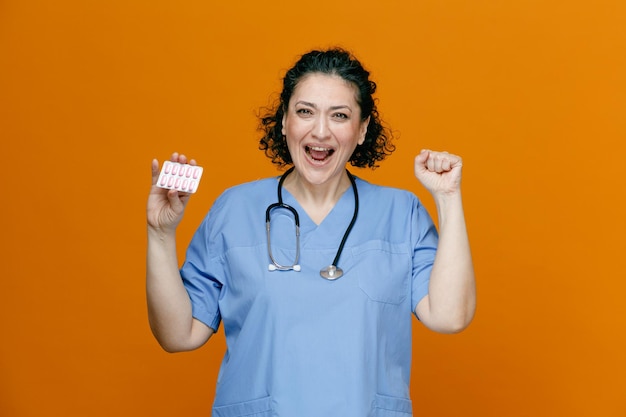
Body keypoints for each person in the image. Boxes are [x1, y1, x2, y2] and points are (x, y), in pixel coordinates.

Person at [146, 48, 475, 417]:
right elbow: (177, 335)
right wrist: (160, 235)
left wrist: (448, 199)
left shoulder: (401, 213)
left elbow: (449, 316)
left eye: (340, 115)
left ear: (362, 129)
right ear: (284, 121)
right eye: (305, 111)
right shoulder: (234, 209)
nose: (320, 131)